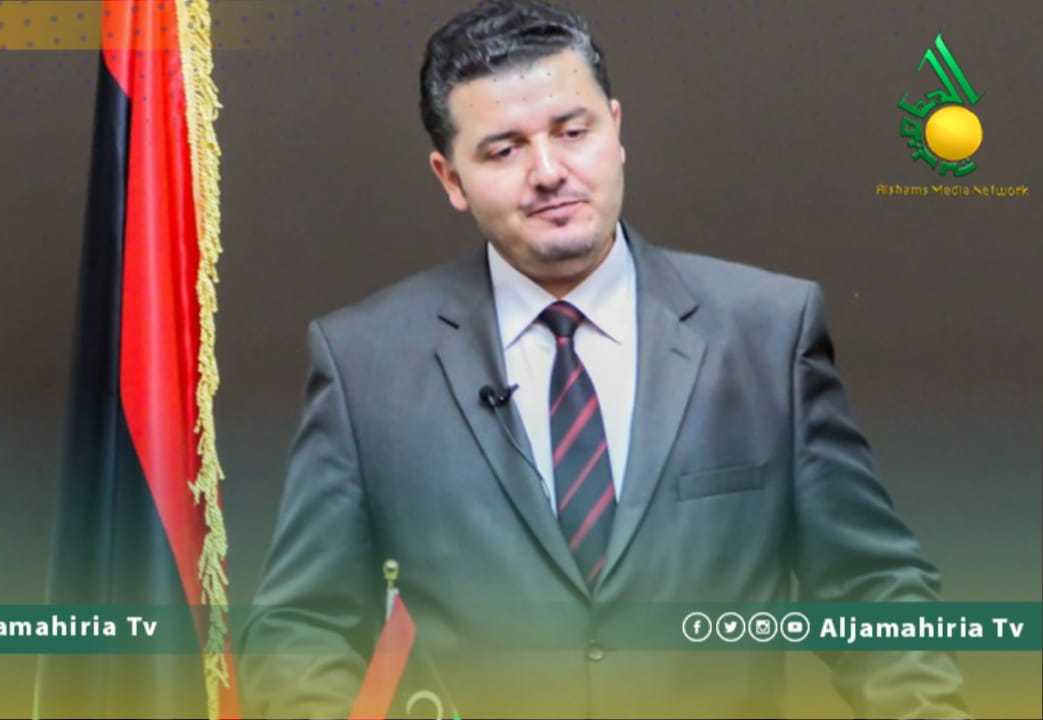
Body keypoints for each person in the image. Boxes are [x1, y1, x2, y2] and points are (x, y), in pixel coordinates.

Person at [240, 1, 967, 717]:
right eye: (504, 149)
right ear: (450, 178)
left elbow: (873, 592)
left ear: (615, 131)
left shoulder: (768, 333)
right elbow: (302, 627)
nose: (548, 171)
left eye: (572, 131)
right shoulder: (365, 362)